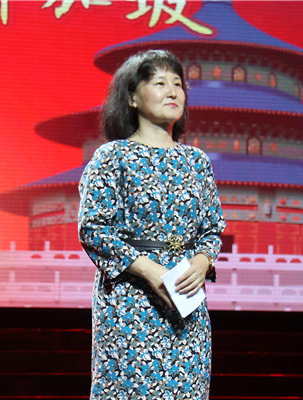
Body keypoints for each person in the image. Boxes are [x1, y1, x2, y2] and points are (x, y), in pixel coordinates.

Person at [78, 49, 226, 399]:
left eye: (178, 84)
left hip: (185, 299)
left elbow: (211, 229)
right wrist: (149, 270)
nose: (173, 91)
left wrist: (202, 261)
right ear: (132, 97)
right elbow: (94, 228)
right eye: (159, 83)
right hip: (131, 303)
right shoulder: (112, 157)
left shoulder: (197, 161)